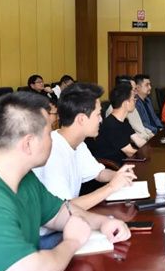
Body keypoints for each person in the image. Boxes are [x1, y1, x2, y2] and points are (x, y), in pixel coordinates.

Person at [0, 92, 130, 271]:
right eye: (49, 133)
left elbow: (59, 213)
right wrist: (72, 242)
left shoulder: (23, 178)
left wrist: (104, 222)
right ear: (28, 143)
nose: (53, 139)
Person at [33, 83, 137, 247]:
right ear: (81, 119)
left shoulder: (78, 142)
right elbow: (64, 209)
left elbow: (98, 173)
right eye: (98, 114)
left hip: (70, 223)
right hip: (48, 236)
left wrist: (119, 175)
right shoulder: (52, 151)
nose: (101, 119)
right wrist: (111, 187)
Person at [87, 83, 146, 166]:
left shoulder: (124, 121)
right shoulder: (111, 124)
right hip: (113, 166)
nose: (135, 101)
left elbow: (138, 141)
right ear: (126, 103)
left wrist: (151, 148)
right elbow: (129, 152)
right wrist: (148, 155)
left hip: (125, 162)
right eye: (133, 99)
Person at [106, 76, 154, 142]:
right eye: (134, 89)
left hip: (144, 140)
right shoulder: (114, 110)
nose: (136, 92)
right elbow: (126, 138)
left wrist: (151, 134)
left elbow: (140, 127)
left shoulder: (131, 106)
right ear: (124, 91)